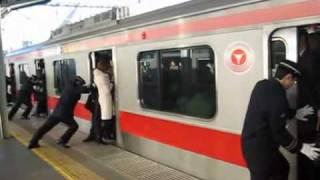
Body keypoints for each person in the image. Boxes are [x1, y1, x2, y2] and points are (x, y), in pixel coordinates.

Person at [241, 60, 320, 180]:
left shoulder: (262, 85)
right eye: (293, 81)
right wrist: (301, 147)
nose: (293, 84)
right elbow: (278, 133)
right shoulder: (278, 94)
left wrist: (294, 113)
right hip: (260, 149)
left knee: (283, 167)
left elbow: (270, 109)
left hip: (251, 143)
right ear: (288, 77)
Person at [28, 76, 89, 149]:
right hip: (65, 114)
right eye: (80, 83)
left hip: (56, 112)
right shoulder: (74, 88)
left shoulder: (68, 87)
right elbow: (85, 89)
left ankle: (33, 142)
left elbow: (81, 89)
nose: (81, 85)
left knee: (45, 128)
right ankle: (63, 140)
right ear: (76, 82)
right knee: (74, 126)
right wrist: (92, 86)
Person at [297, 31, 320, 180]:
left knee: (310, 153)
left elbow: (316, 87)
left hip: (310, 114)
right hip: (306, 114)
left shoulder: (310, 59)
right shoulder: (305, 57)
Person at [93, 59, 114, 144]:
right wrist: (112, 83)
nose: (108, 68)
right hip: (105, 98)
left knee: (105, 118)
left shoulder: (99, 75)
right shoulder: (102, 77)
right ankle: (100, 137)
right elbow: (107, 90)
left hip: (103, 98)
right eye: (107, 66)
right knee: (106, 119)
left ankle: (101, 136)